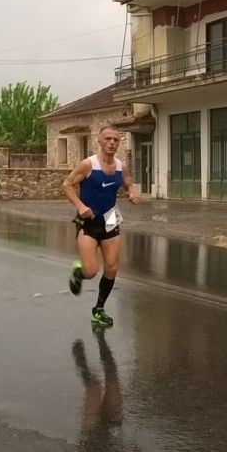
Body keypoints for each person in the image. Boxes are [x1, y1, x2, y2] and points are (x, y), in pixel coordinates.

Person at [62, 126, 139, 327]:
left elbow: (128, 182)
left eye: (116, 139)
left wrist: (131, 193)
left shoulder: (121, 167)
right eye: (108, 139)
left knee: (112, 268)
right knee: (91, 271)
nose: (112, 142)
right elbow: (67, 184)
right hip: (89, 221)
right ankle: (79, 273)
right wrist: (80, 206)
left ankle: (99, 310)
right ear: (99, 141)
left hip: (111, 219)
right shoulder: (88, 165)